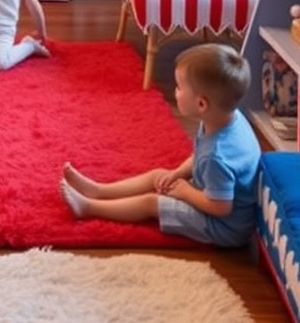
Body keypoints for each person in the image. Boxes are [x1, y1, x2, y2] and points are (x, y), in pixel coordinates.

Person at [59, 42, 261, 247]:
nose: (176, 91)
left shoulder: (217, 155)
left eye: (179, 87)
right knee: (160, 175)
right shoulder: (226, 118)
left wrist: (186, 193)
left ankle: (89, 207)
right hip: (209, 190)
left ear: (202, 104)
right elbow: (199, 156)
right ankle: (99, 190)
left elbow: (220, 207)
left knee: (151, 202)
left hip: (222, 227)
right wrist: (177, 174)